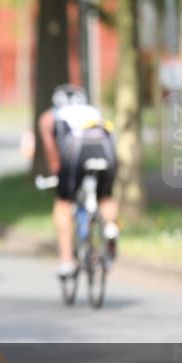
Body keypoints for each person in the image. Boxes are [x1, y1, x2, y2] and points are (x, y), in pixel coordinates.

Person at [37, 84, 120, 279]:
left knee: (64, 202)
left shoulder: (51, 115)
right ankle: (110, 226)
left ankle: (66, 260)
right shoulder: (94, 112)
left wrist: (56, 170)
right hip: (105, 149)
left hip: (76, 149)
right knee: (105, 197)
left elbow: (50, 145)